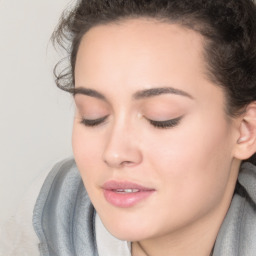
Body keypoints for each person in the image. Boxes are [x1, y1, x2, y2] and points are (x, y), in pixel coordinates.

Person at [3, 0, 256, 255]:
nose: (114, 153)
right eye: (94, 116)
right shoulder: (49, 210)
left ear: (246, 131)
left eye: (161, 118)